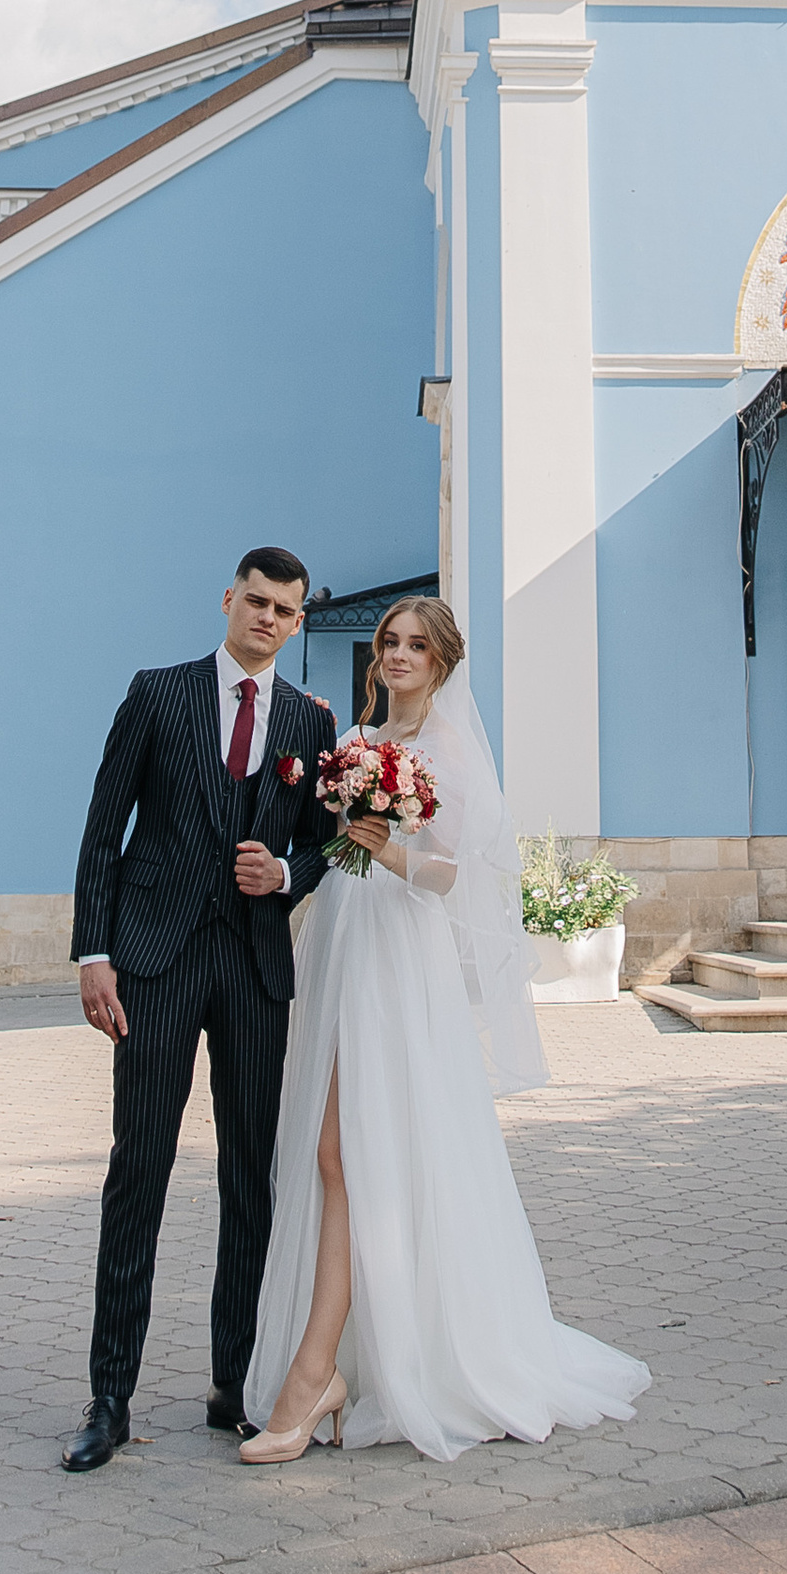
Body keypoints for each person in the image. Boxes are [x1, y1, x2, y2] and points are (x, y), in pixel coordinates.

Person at [240, 597, 649, 1465]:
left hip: (397, 954)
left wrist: (387, 848)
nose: (396, 655)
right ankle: (341, 1364)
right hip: (346, 942)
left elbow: (458, 880)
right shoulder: (357, 740)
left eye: (415, 646)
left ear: (442, 662)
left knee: (348, 1152)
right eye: (388, 642)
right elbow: (336, 851)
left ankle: (318, 1373)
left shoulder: (449, 752)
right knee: (334, 1153)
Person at [59, 546, 336, 1470]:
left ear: (299, 623)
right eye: (256, 602)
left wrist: (287, 872)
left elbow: (331, 846)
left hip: (255, 971)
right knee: (139, 1167)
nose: (268, 619)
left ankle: (236, 1384)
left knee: (249, 1179)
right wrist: (93, 953)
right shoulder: (158, 693)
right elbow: (105, 828)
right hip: (156, 962)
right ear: (228, 601)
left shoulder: (308, 720)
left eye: (285, 611)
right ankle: (110, 1397)